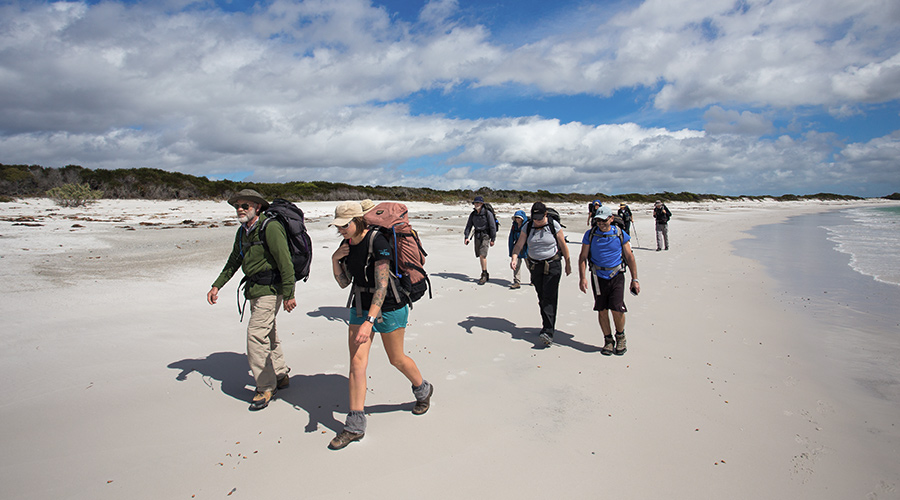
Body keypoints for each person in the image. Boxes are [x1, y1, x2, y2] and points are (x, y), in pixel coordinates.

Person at [328, 201, 433, 450]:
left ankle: (423, 389)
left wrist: (370, 322)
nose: (341, 230)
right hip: (359, 306)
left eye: (345, 225)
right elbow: (344, 283)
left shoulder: (378, 242)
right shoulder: (346, 245)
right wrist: (335, 260)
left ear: (358, 220)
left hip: (389, 307)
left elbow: (382, 285)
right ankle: (354, 425)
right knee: (356, 364)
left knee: (396, 358)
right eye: (338, 226)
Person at [207, 189, 296, 411]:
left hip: (270, 289)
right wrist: (217, 285)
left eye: (245, 205)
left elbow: (285, 261)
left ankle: (265, 386)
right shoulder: (243, 232)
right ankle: (280, 374)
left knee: (255, 334)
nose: (239, 209)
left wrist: (289, 294)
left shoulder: (270, 227)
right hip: (254, 290)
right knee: (269, 332)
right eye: (237, 205)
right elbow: (233, 261)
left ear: (257, 207)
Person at [578, 205, 640, 355]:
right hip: (597, 277)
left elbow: (630, 257)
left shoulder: (620, 234)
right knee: (602, 309)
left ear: (611, 219)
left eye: (604, 220)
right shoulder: (590, 234)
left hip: (617, 275)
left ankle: (620, 337)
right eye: (598, 221)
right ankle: (608, 340)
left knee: (617, 309)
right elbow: (583, 257)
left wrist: (635, 279)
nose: (601, 223)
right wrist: (582, 278)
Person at [510, 202, 572, 346]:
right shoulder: (528, 226)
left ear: (545, 215)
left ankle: (548, 331)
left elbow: (563, 245)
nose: (537, 221)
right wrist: (514, 257)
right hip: (535, 266)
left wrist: (568, 263)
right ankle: (546, 325)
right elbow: (519, 244)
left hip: (552, 264)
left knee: (550, 296)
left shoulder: (553, 225)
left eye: (540, 218)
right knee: (542, 296)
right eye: (534, 218)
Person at [464, 195, 497, 285]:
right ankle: (485, 272)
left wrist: (493, 238)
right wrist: (466, 237)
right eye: (475, 203)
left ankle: (484, 274)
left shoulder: (487, 213)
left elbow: (492, 226)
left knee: (483, 255)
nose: (476, 204)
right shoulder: (473, 214)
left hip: (486, 235)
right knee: (479, 254)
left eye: (478, 203)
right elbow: (468, 226)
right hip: (477, 235)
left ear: (482, 204)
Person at [507, 210, 529, 289]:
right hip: (517, 248)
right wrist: (511, 252)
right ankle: (517, 282)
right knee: (516, 265)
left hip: (527, 248)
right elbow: (511, 238)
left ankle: (534, 279)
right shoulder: (514, 226)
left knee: (530, 265)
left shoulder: (527, 225)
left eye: (519, 218)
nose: (517, 219)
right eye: (516, 218)